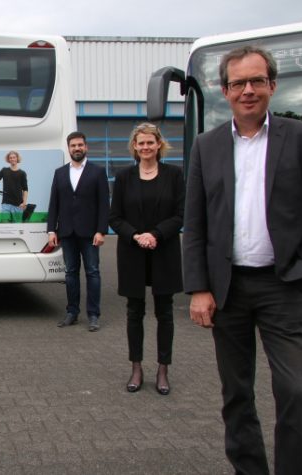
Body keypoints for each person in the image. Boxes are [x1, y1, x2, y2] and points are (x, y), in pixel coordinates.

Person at [184, 45, 302, 475]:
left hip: (282, 285)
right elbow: (195, 223)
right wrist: (198, 287)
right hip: (226, 289)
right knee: (236, 393)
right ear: (224, 90)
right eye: (238, 83)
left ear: (271, 85)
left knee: (293, 391)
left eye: (256, 81)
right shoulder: (206, 146)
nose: (247, 90)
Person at [109, 123, 184, 395]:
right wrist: (136, 236)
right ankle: (136, 368)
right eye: (140, 143)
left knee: (165, 312)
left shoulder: (175, 175)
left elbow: (180, 214)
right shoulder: (124, 177)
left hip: (164, 251)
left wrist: (155, 235)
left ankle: (163, 369)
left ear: (159, 144)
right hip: (133, 253)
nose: (145, 148)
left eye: (150, 143)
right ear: (134, 146)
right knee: (134, 313)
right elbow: (114, 217)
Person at [47, 131, 110, 331]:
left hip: (90, 233)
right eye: (73, 145)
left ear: (86, 147)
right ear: (69, 148)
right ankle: (72, 312)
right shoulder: (60, 173)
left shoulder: (97, 172)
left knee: (92, 272)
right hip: (66, 232)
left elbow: (103, 205)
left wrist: (101, 231)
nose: (77, 148)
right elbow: (53, 204)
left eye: (80, 145)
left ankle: (93, 315)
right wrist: (51, 230)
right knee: (70, 273)